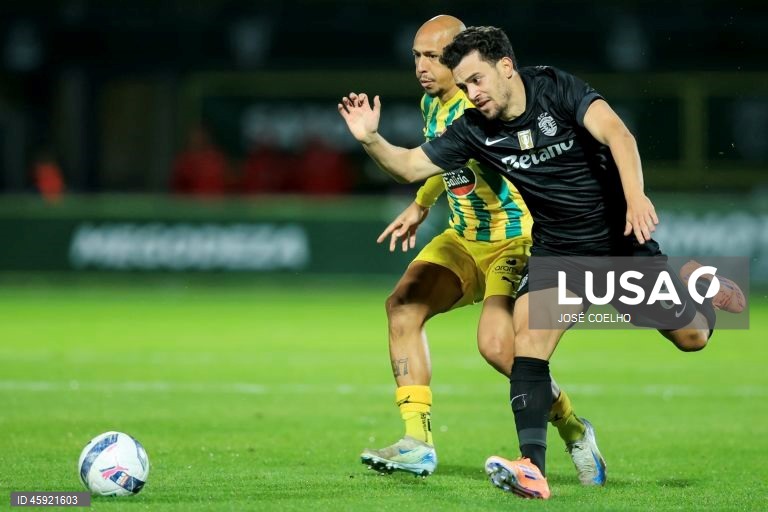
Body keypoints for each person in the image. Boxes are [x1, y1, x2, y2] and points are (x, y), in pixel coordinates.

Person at [338, 26, 745, 499]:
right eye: (465, 85)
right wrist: (370, 139)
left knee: (693, 337)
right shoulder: (474, 127)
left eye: (477, 81)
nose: (472, 94)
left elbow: (618, 133)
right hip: (560, 254)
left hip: (618, 247)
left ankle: (692, 280)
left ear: (506, 67)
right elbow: (410, 166)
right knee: (527, 344)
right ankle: (531, 466)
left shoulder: (556, 88)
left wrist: (635, 197)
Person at [358, 16, 605, 486]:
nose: (423, 68)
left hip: (515, 242)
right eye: (417, 57)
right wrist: (420, 204)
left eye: (433, 57)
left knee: (496, 348)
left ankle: (573, 428)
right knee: (402, 307)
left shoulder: (484, 111)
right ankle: (417, 443)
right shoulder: (434, 105)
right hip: (463, 238)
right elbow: (438, 159)